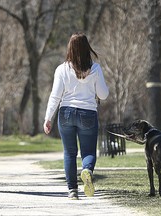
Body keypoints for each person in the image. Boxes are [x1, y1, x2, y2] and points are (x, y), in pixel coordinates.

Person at [43, 32, 109, 200]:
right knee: (88, 151)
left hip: (65, 114)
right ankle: (86, 169)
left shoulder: (61, 69)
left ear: (70, 49)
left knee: (69, 153)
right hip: (87, 114)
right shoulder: (95, 69)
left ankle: (72, 190)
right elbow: (103, 95)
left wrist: (48, 118)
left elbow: (55, 96)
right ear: (87, 48)